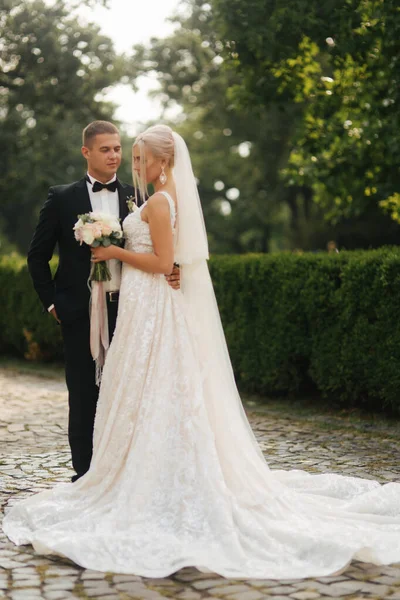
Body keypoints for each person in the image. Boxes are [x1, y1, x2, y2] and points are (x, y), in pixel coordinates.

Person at [4, 125, 400, 579]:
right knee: (97, 392)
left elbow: (160, 254)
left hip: (140, 309)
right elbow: (58, 255)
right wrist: (60, 298)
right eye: (115, 152)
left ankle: (141, 479)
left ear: (162, 161)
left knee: (147, 389)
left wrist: (136, 257)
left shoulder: (150, 199)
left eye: (132, 156)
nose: (126, 162)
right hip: (98, 308)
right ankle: (92, 474)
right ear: (87, 152)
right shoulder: (85, 196)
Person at [26, 120, 179, 482]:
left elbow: (163, 242)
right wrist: (52, 303)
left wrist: (177, 270)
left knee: (127, 389)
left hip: (131, 307)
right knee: (82, 391)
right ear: (87, 152)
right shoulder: (62, 198)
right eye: (105, 149)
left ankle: (123, 469)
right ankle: (85, 473)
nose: (114, 156)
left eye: (118, 149)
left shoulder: (137, 193)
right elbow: (37, 256)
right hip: (79, 310)